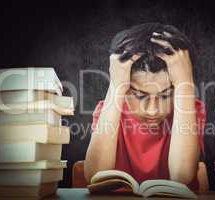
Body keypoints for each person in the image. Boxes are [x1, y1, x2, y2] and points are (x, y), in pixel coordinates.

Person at [84, 23, 206, 189]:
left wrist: (185, 82)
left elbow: (181, 176)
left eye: (165, 95)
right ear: (125, 88)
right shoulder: (109, 110)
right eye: (140, 96)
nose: (152, 110)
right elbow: (95, 175)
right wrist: (115, 86)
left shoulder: (190, 110)